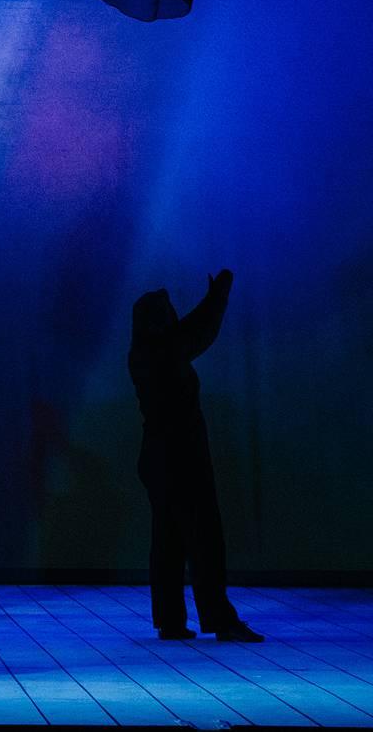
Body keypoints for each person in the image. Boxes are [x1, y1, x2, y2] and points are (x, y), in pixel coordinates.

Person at [127, 268, 264, 643]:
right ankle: (218, 618)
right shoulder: (161, 351)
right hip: (178, 454)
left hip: (159, 455)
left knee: (169, 538)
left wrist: (212, 299)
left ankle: (171, 619)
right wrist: (217, 295)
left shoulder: (146, 350)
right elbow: (197, 332)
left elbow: (189, 332)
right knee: (203, 537)